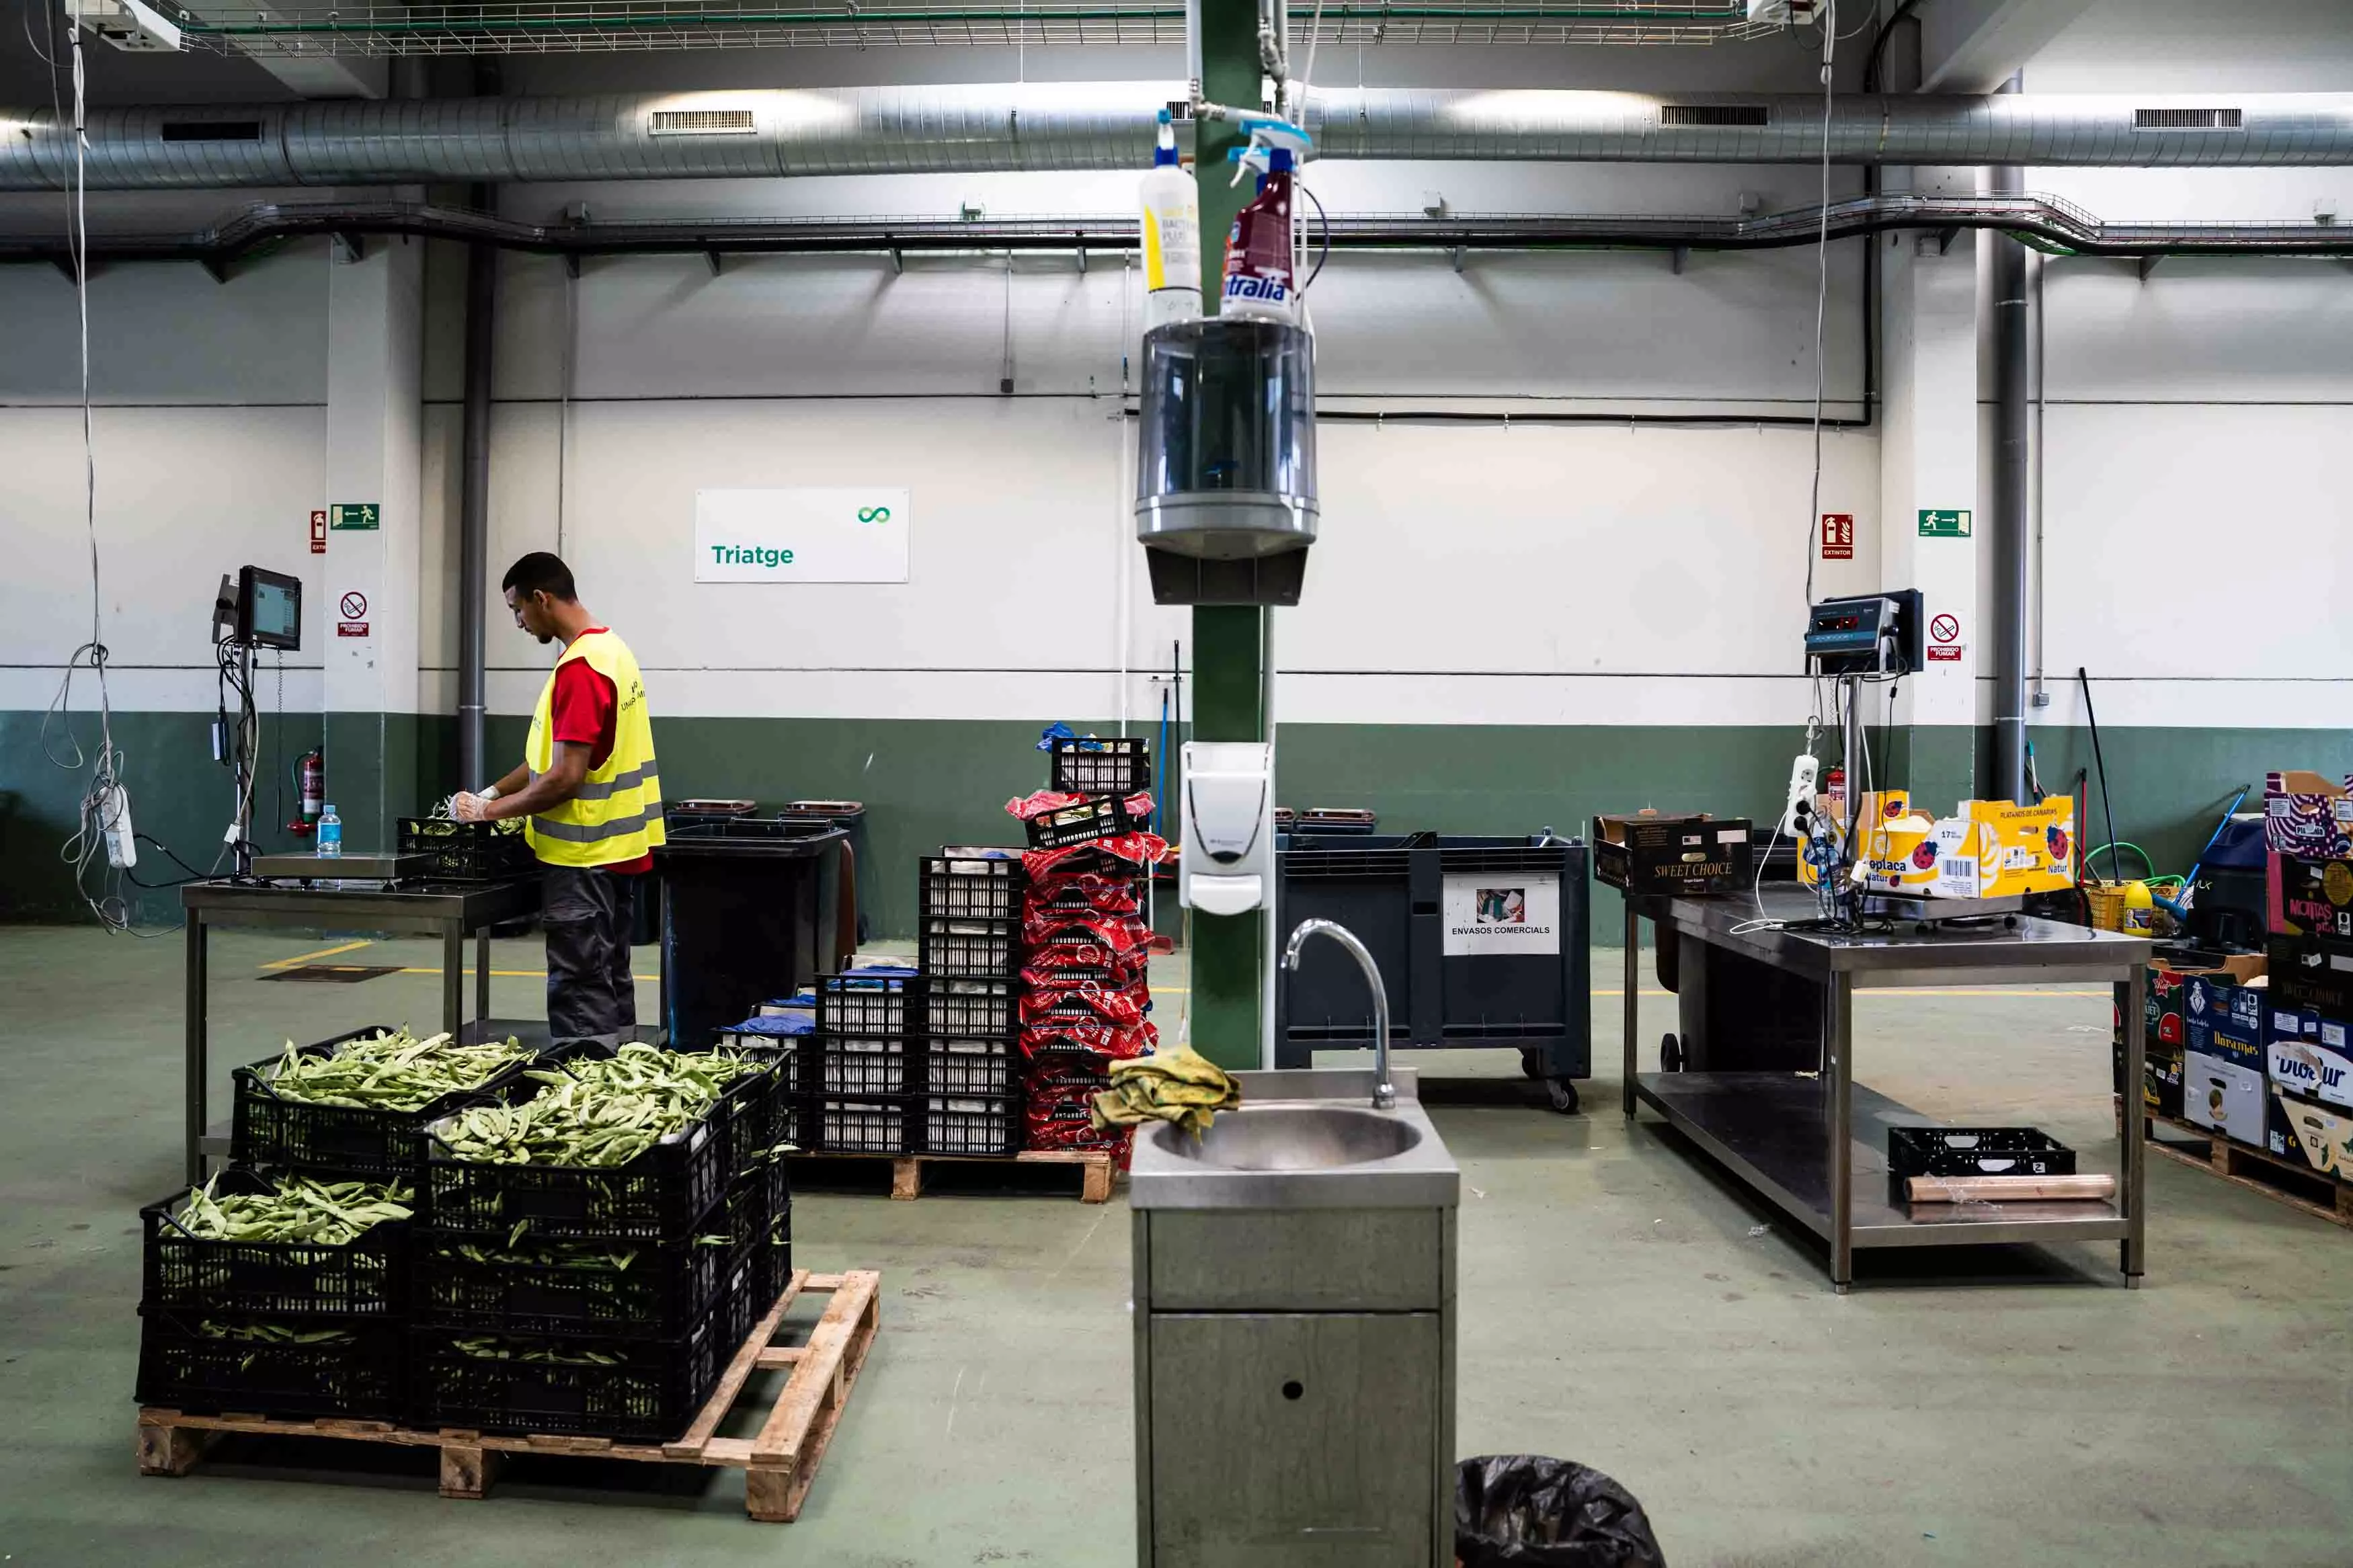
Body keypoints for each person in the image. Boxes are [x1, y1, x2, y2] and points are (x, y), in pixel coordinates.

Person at [452, 552, 664, 1043]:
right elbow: (556, 755)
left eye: (518, 609)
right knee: (609, 975)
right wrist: (493, 791)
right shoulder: (613, 651)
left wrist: (489, 813)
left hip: (582, 858)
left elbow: (565, 779)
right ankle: (624, 1078)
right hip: (619, 853)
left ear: (541, 599)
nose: (519, 621)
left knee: (581, 987)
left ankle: (586, 1090)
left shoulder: (581, 669)